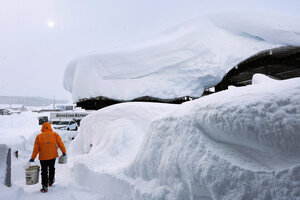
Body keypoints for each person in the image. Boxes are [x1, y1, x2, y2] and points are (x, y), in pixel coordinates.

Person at [30, 122, 66, 193]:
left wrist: (33, 158)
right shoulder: (55, 134)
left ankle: (45, 186)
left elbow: (36, 149)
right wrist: (64, 152)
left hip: (43, 158)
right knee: (52, 168)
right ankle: (51, 181)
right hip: (53, 156)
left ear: (42, 128)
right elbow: (60, 144)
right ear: (50, 127)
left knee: (44, 171)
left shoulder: (39, 136)